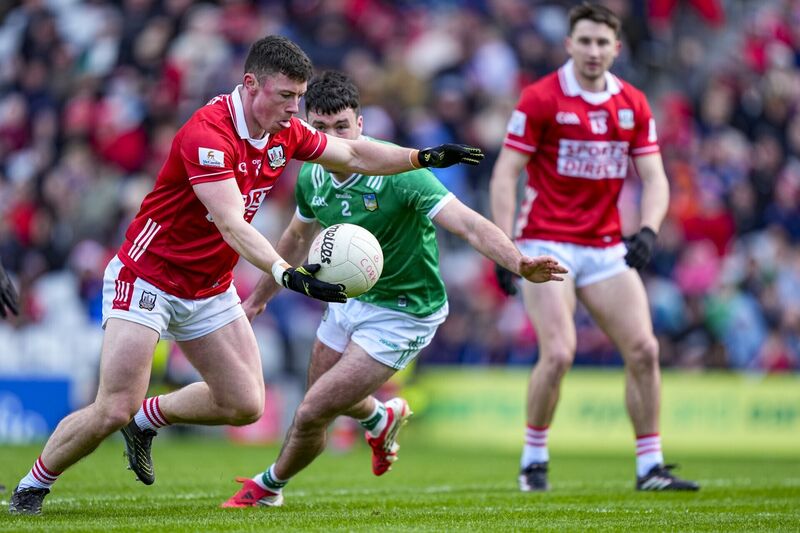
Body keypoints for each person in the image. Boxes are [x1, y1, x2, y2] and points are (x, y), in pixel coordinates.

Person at [8, 36, 485, 515]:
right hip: (148, 277)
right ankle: (32, 486)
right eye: (286, 96)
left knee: (245, 404)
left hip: (208, 288)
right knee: (113, 406)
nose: (295, 108)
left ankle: (148, 419)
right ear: (251, 84)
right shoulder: (207, 136)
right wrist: (287, 274)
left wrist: (420, 158)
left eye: (299, 97)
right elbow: (234, 224)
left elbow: (356, 155)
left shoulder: (286, 130)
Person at [220, 71, 567, 508]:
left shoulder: (401, 173)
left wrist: (518, 262)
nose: (333, 138)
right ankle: (381, 418)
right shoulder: (311, 176)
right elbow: (294, 238)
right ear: (306, 128)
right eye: (320, 128)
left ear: (360, 125)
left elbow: (468, 224)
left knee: (311, 411)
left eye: (342, 127)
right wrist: (257, 299)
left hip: (406, 311)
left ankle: (268, 487)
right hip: (348, 300)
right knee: (322, 400)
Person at [489, 3, 699, 492]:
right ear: (569, 44)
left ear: (617, 48)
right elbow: (505, 173)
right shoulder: (541, 99)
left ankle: (650, 467)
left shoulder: (633, 103)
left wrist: (648, 229)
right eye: (584, 41)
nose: (593, 50)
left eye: (603, 42)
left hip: (604, 247)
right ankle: (533, 459)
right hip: (545, 240)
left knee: (645, 349)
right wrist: (506, 247)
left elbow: (655, 176)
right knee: (560, 352)